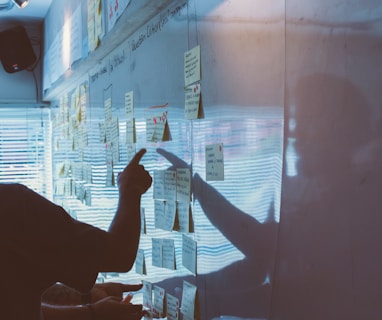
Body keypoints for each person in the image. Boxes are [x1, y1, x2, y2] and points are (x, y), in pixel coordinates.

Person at [0, 148, 152, 320]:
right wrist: (131, 188)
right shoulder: (11, 204)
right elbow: (118, 255)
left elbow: (14, 293)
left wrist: (84, 299)